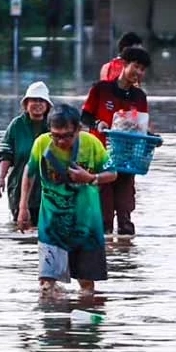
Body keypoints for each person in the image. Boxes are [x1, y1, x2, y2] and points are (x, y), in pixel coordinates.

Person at [18, 104, 118, 295]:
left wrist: (90, 178)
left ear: (78, 129)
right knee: (47, 287)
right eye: (56, 135)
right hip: (52, 224)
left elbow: (112, 173)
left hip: (86, 225)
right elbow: (29, 173)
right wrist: (23, 207)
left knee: (87, 286)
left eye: (67, 136)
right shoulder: (41, 143)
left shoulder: (91, 144)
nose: (61, 141)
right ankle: (53, 321)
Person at [82, 46, 152, 235]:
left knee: (125, 219)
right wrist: (98, 124)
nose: (138, 73)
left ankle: (125, 260)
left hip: (126, 161)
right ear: (124, 65)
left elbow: (142, 126)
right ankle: (106, 261)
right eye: (135, 67)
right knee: (103, 219)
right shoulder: (101, 89)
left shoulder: (140, 97)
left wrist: (150, 136)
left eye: (142, 69)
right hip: (101, 159)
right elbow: (84, 117)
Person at [0, 81, 52, 225]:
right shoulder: (17, 125)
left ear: (47, 106)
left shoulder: (53, 127)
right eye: (34, 100)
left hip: (46, 190)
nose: (37, 104)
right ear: (26, 103)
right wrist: (1, 178)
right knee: (20, 228)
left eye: (41, 100)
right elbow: (6, 153)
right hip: (19, 186)